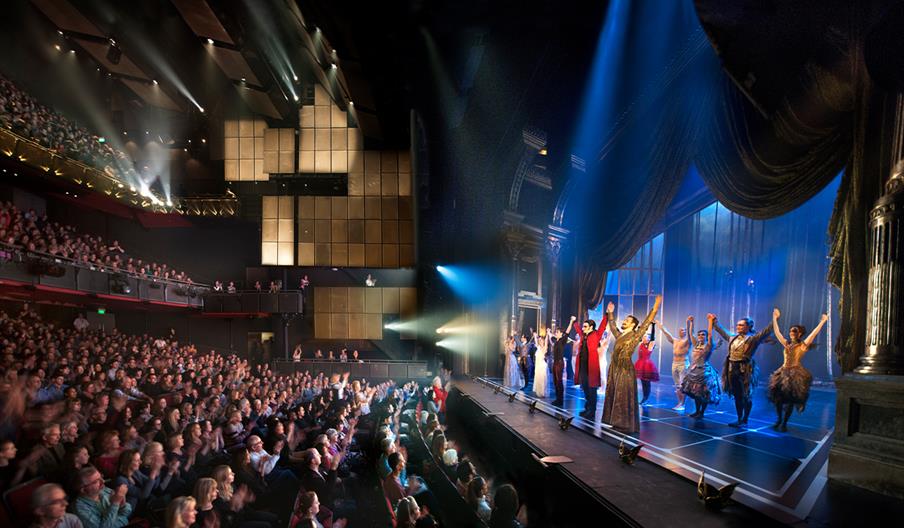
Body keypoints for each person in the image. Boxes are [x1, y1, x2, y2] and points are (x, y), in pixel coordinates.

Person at [602, 296, 662, 433]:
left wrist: (656, 307)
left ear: (633, 325)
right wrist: (610, 313)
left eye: (627, 321)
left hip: (624, 368)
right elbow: (612, 327)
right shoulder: (621, 335)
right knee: (614, 394)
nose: (624, 321)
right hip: (615, 367)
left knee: (623, 395)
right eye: (624, 320)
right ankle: (615, 421)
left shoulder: (635, 335)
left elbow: (646, 323)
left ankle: (625, 424)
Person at [769, 309, 828, 431]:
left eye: (794, 331)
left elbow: (813, 334)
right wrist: (775, 318)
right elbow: (777, 332)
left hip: (795, 373)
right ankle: (779, 419)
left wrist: (823, 322)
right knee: (778, 399)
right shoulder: (786, 343)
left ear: (800, 333)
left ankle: (784, 422)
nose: (791, 332)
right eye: (791, 330)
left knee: (790, 400)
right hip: (783, 372)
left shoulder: (803, 345)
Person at [712, 312, 773, 427]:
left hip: (745, 370)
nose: (738, 327)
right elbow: (722, 331)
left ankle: (745, 418)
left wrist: (774, 319)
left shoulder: (753, 339)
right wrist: (715, 322)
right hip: (732, 369)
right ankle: (739, 418)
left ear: (749, 327)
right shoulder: (733, 338)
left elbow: (766, 332)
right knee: (737, 396)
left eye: (741, 325)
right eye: (738, 325)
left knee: (746, 395)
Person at [570, 309, 610, 419]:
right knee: (586, 389)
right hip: (583, 366)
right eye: (583, 326)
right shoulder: (583, 335)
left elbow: (602, 325)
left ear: (591, 327)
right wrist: (574, 322)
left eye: (585, 326)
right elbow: (578, 329)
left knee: (592, 390)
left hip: (591, 367)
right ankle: (587, 408)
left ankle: (592, 411)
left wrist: (607, 314)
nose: (583, 328)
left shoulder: (596, 334)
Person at [681, 315, 721, 418]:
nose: (700, 336)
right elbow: (691, 334)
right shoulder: (696, 344)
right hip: (694, 371)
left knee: (703, 394)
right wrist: (691, 323)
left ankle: (702, 412)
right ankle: (697, 411)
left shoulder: (708, 346)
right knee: (696, 394)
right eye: (699, 334)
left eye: (703, 335)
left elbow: (711, 335)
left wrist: (710, 322)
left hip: (704, 372)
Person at [658, 317, 692, 411]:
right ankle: (679, 403)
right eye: (681, 330)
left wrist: (688, 323)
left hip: (683, 363)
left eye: (684, 330)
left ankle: (682, 404)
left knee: (682, 385)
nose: (683, 331)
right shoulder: (675, 341)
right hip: (675, 363)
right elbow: (667, 333)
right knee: (677, 385)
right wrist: (659, 325)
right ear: (679, 332)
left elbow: (690, 335)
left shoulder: (687, 341)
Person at [634, 332, 659, 406]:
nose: (644, 337)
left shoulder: (650, 345)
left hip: (647, 365)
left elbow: (653, 338)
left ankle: (646, 398)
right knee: (643, 382)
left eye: (646, 337)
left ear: (649, 339)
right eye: (643, 336)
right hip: (640, 364)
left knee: (647, 383)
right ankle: (644, 397)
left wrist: (653, 325)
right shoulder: (641, 344)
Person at [550, 326, 570, 407]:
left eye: (558, 332)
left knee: (559, 381)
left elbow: (567, 332)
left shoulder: (562, 340)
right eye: (556, 332)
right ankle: (557, 399)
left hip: (559, 363)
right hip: (555, 363)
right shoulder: (556, 342)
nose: (556, 333)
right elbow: (552, 337)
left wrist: (571, 322)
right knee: (555, 382)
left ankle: (560, 400)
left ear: (561, 334)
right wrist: (548, 333)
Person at [531, 329, 550, 398]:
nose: (540, 341)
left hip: (542, 365)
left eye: (541, 340)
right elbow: (536, 341)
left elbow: (547, 341)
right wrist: (535, 336)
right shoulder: (538, 347)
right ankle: (539, 392)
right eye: (540, 340)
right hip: (538, 366)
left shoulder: (544, 348)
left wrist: (547, 334)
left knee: (543, 379)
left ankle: (543, 392)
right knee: (538, 379)